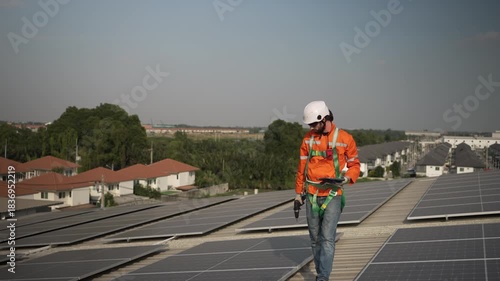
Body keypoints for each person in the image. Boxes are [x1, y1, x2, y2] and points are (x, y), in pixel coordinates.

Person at [295, 100, 360, 281]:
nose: (313, 128)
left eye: (315, 124)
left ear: (325, 118)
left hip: (333, 195)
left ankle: (323, 277)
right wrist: (298, 194)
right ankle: (321, 271)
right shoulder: (308, 139)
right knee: (315, 239)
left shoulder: (345, 139)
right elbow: (302, 168)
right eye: (310, 125)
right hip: (312, 195)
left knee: (327, 238)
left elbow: (355, 164)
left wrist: (347, 178)